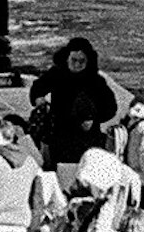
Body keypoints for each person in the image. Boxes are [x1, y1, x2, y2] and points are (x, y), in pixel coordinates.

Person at [28, 36, 121, 169]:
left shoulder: (96, 80)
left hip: (87, 134)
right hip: (60, 131)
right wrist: (39, 99)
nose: (77, 65)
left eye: (82, 61)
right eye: (74, 60)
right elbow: (37, 88)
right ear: (67, 58)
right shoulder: (57, 73)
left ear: (88, 61)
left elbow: (111, 107)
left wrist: (94, 119)